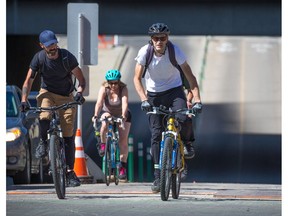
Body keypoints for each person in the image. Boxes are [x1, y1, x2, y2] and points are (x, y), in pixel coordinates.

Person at [133, 23, 202, 193]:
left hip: (174, 91)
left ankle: (186, 143)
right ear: (151, 40)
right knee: (156, 135)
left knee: (184, 116)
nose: (159, 41)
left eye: (162, 38)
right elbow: (136, 79)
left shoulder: (175, 51)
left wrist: (197, 100)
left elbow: (190, 77)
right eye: (156, 38)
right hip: (153, 95)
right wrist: (143, 99)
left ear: (167, 38)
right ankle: (158, 177)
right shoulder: (144, 53)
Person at [21, 30, 86, 187]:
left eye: (54, 43)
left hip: (66, 95)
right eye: (49, 45)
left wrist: (79, 93)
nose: (53, 47)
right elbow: (28, 81)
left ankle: (70, 172)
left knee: (69, 134)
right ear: (42, 46)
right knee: (44, 115)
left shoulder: (66, 57)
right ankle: (43, 143)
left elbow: (81, 80)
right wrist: (23, 100)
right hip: (47, 93)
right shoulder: (39, 58)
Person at [92, 69, 131, 182]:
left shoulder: (123, 89)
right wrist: (95, 115)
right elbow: (99, 103)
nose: (113, 85)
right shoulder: (104, 88)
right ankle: (103, 144)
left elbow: (125, 103)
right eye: (111, 83)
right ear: (107, 82)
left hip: (121, 113)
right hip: (108, 112)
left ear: (119, 81)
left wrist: (123, 116)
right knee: (104, 122)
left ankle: (122, 167)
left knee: (123, 141)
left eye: (115, 82)